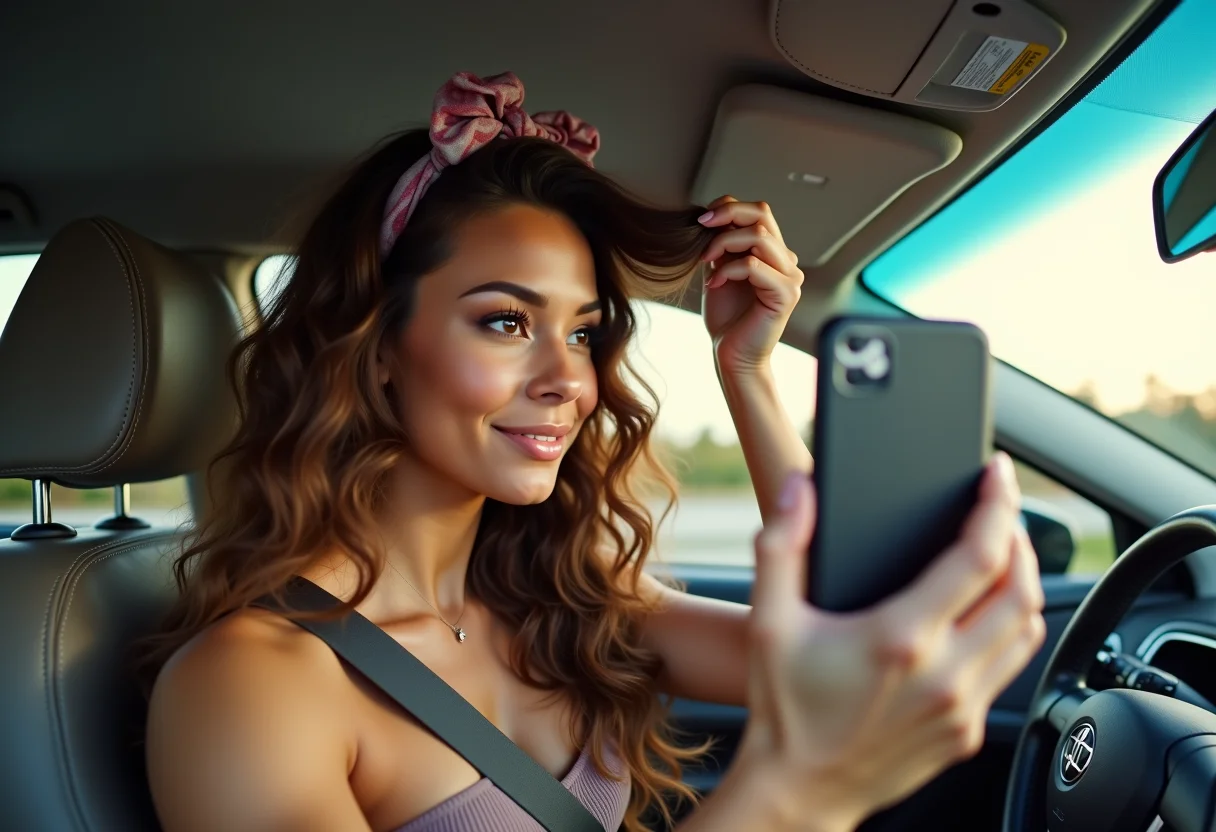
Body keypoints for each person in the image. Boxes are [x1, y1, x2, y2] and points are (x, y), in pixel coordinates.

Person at [141, 71, 1045, 832]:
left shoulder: (565, 602)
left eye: (582, 333)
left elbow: (861, 636)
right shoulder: (249, 688)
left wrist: (747, 371)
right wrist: (796, 796)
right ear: (377, 348)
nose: (568, 381)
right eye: (504, 322)